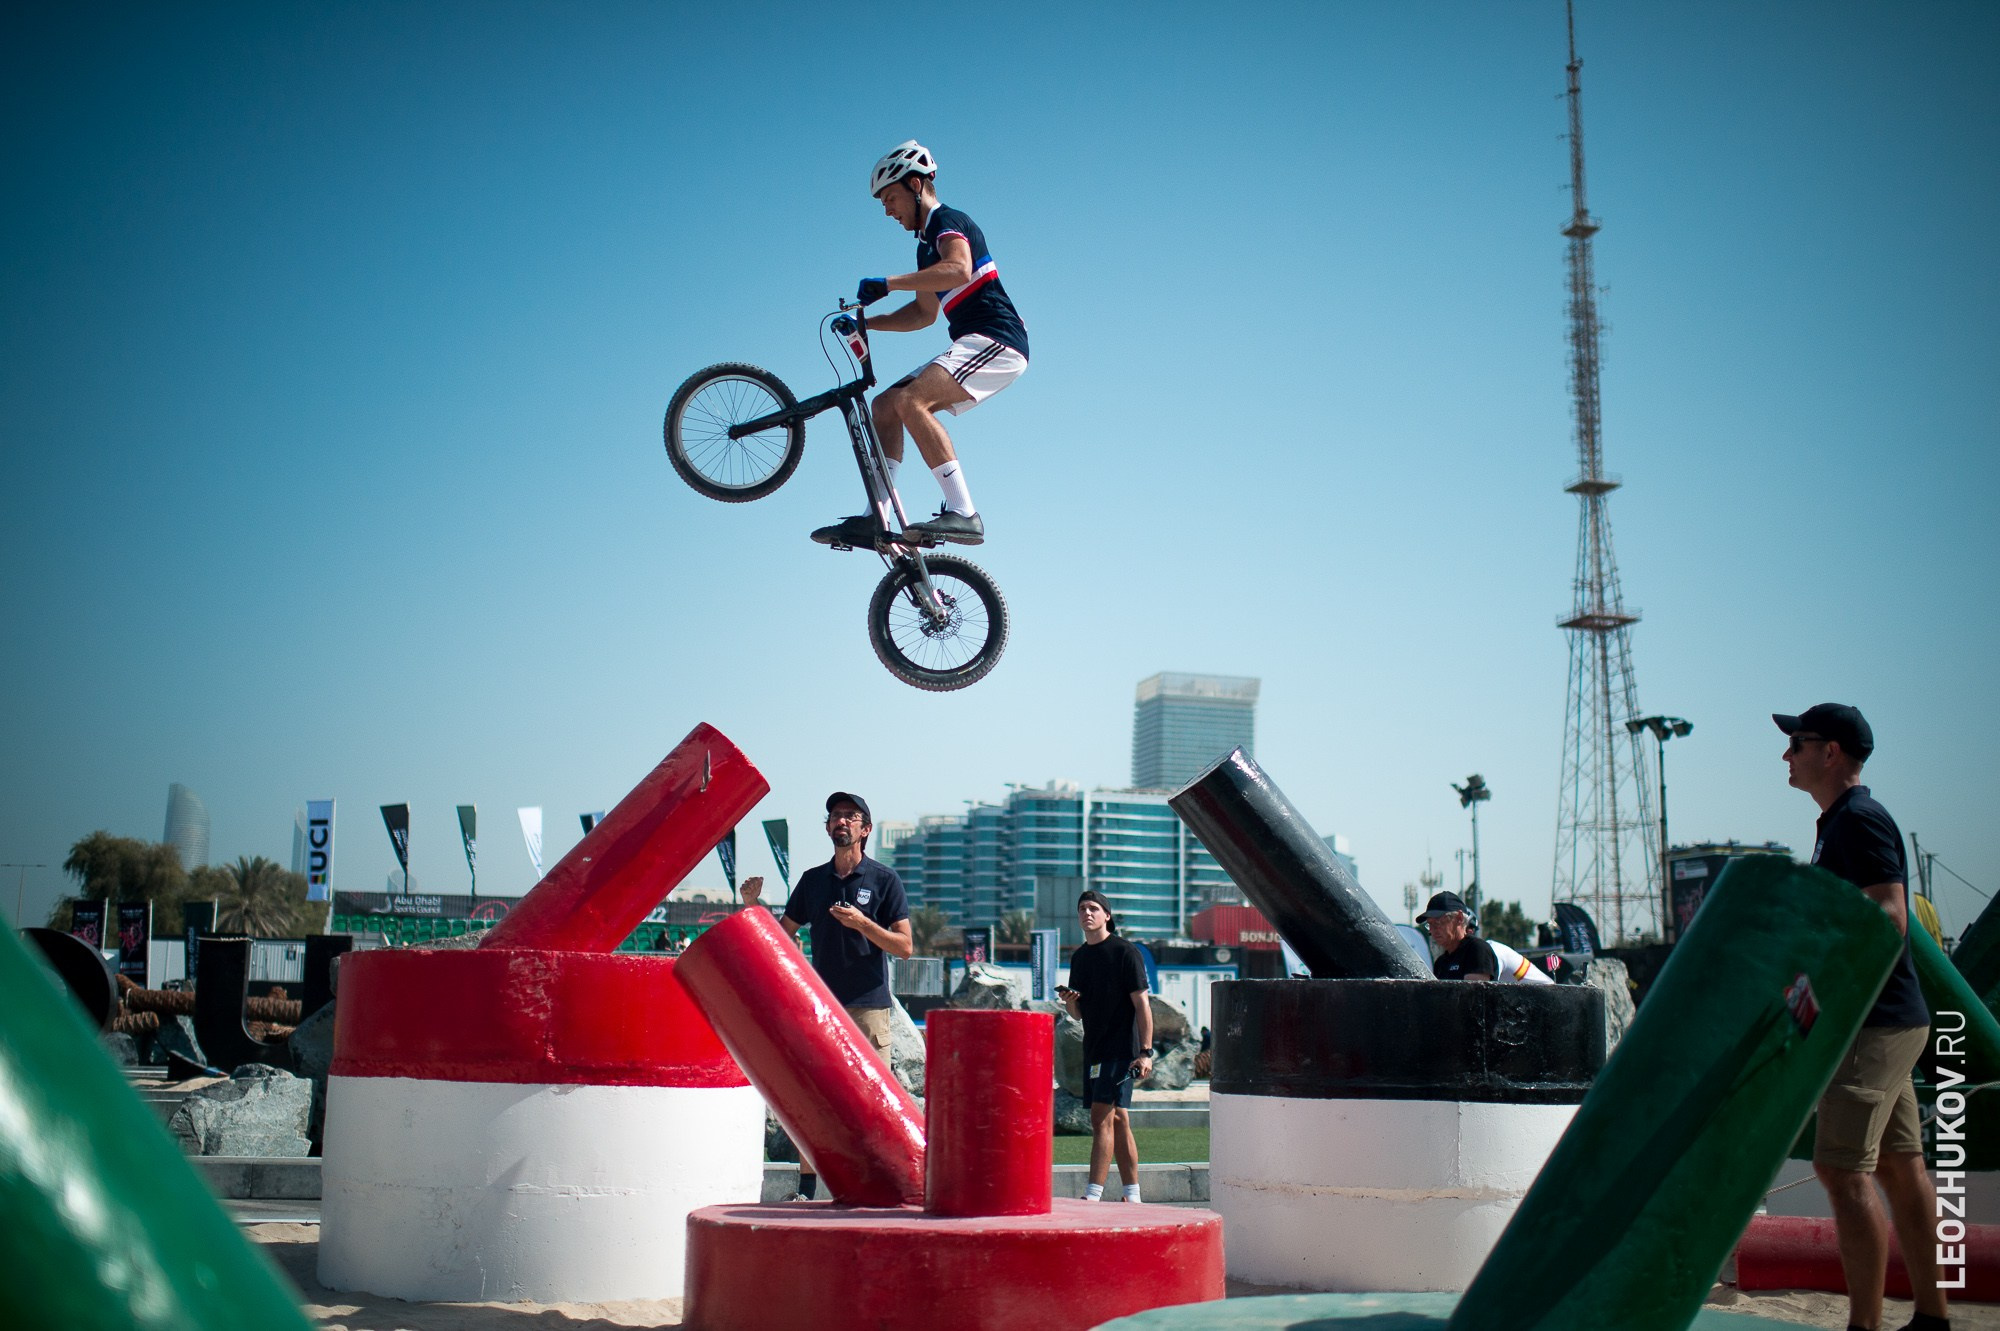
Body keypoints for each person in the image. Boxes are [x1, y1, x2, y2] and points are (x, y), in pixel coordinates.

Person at [1776, 703, 1947, 1331]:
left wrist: (1819, 963)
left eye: (1797, 743)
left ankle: (1865, 1326)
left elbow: (1892, 914)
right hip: (1885, 1018)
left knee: (1841, 1170)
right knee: (1902, 1170)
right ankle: (1931, 1317)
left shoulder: (1859, 820)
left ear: (1833, 752)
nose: (1786, 755)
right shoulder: (1837, 823)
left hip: (1874, 1022)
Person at [812, 139, 1029, 551]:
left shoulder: (949, 222)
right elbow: (923, 315)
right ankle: (876, 516)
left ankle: (964, 512)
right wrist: (866, 323)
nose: (887, 211)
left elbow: (959, 268)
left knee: (912, 401)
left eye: (890, 198)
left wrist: (888, 283)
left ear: (915, 185)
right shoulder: (924, 247)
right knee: (885, 405)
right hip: (973, 340)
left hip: (998, 340)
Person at [740, 791, 911, 1201]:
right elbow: (781, 937)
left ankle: (875, 1186)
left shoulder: (885, 880)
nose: (842, 822)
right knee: (814, 1097)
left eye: (851, 816)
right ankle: (806, 1189)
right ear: (828, 826)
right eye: (835, 816)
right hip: (821, 1006)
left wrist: (863, 924)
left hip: (870, 1006)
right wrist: (752, 905)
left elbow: (904, 946)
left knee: (871, 1100)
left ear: (865, 829)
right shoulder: (812, 881)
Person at [1056, 890, 1153, 1203]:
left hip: (1122, 1049)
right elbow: (1077, 1013)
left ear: (1106, 915)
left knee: (1099, 1118)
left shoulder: (1126, 952)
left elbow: (1142, 1005)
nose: (1087, 913)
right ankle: (1133, 1195)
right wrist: (1069, 1002)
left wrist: (1146, 1051)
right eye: (1082, 908)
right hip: (1094, 1048)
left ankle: (1093, 1195)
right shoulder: (1080, 957)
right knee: (1119, 1118)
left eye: (1093, 908)